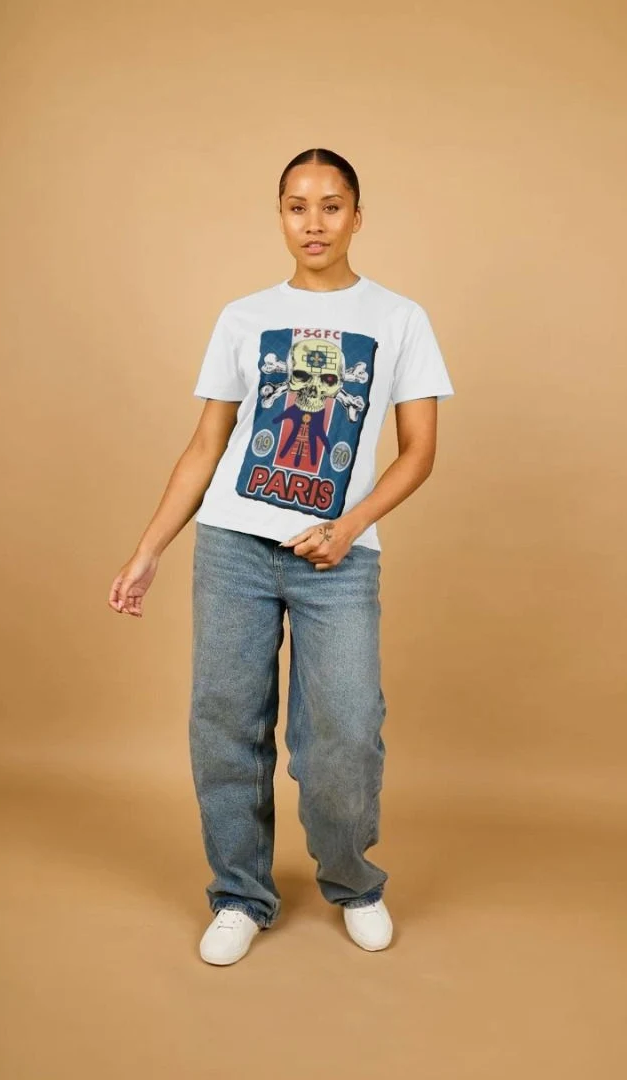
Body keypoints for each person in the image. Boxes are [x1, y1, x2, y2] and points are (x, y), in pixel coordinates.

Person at [108, 148, 455, 965]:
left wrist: (349, 524)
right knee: (226, 723)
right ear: (280, 217)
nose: (314, 222)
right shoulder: (243, 317)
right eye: (297, 206)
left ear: (358, 216)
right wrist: (149, 550)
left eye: (331, 206)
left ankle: (354, 881)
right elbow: (206, 445)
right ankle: (239, 893)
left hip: (338, 557)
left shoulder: (400, 318)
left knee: (345, 733)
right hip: (233, 546)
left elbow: (419, 452)